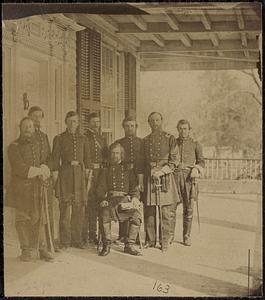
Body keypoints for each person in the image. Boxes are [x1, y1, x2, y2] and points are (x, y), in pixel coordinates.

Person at [7, 117, 54, 262]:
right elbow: (19, 168)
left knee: (39, 218)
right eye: (25, 126)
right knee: (22, 219)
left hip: (36, 188)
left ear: (34, 129)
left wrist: (45, 168)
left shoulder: (38, 145)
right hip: (21, 189)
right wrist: (38, 171)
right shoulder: (14, 146)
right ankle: (26, 250)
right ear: (20, 128)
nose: (28, 129)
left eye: (30, 126)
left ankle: (42, 249)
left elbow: (47, 159)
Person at [52, 111, 90, 250]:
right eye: (70, 121)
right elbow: (55, 160)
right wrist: (56, 178)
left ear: (78, 123)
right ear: (65, 122)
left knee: (78, 210)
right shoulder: (59, 138)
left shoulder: (83, 139)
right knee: (64, 211)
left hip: (79, 175)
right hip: (66, 174)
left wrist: (87, 176)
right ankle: (64, 241)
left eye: (75, 121)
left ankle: (77, 240)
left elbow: (88, 159)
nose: (72, 124)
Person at [96, 143, 142, 257]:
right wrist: (102, 199)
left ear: (122, 154)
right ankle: (107, 245)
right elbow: (100, 188)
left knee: (136, 216)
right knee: (104, 214)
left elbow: (134, 188)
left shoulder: (128, 170)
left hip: (125, 201)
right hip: (111, 200)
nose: (115, 155)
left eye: (117, 153)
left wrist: (135, 198)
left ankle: (129, 245)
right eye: (113, 153)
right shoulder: (106, 170)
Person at [143, 112, 180, 252]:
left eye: (157, 120)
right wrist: (150, 172)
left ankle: (164, 242)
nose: (155, 123)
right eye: (152, 121)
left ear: (162, 121)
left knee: (165, 211)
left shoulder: (170, 138)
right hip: (150, 176)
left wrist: (162, 171)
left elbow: (174, 160)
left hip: (165, 176)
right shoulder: (145, 140)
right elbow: (142, 161)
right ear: (149, 123)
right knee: (149, 210)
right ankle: (150, 240)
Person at [28, 106, 59, 252]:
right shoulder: (26, 136)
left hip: (46, 180)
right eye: (34, 116)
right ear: (29, 118)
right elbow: (27, 159)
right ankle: (36, 245)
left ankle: (50, 243)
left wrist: (47, 168)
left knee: (49, 211)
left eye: (40, 116)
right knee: (35, 213)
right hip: (33, 182)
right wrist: (37, 171)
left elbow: (51, 158)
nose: (37, 119)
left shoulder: (44, 136)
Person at [174, 119, 205, 246]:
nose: (183, 131)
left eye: (185, 128)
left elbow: (201, 161)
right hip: (175, 177)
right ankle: (169, 235)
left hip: (189, 178)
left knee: (189, 208)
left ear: (189, 130)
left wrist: (196, 169)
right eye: (180, 128)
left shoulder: (195, 144)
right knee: (171, 207)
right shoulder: (173, 143)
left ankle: (186, 236)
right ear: (177, 129)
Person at [115, 115, 144, 243]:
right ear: (123, 127)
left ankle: (135, 235)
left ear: (136, 127)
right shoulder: (119, 143)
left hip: (139, 176)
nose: (129, 128)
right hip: (124, 175)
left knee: (137, 203)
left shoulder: (142, 143)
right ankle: (122, 235)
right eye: (127, 126)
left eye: (132, 126)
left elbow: (145, 161)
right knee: (124, 202)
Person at [82, 112, 108, 246]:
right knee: (88, 204)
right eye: (93, 122)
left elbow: (105, 156)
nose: (96, 125)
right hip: (89, 174)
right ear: (88, 123)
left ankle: (96, 233)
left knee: (98, 203)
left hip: (100, 174)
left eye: (98, 122)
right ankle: (87, 233)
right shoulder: (84, 137)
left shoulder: (102, 139)